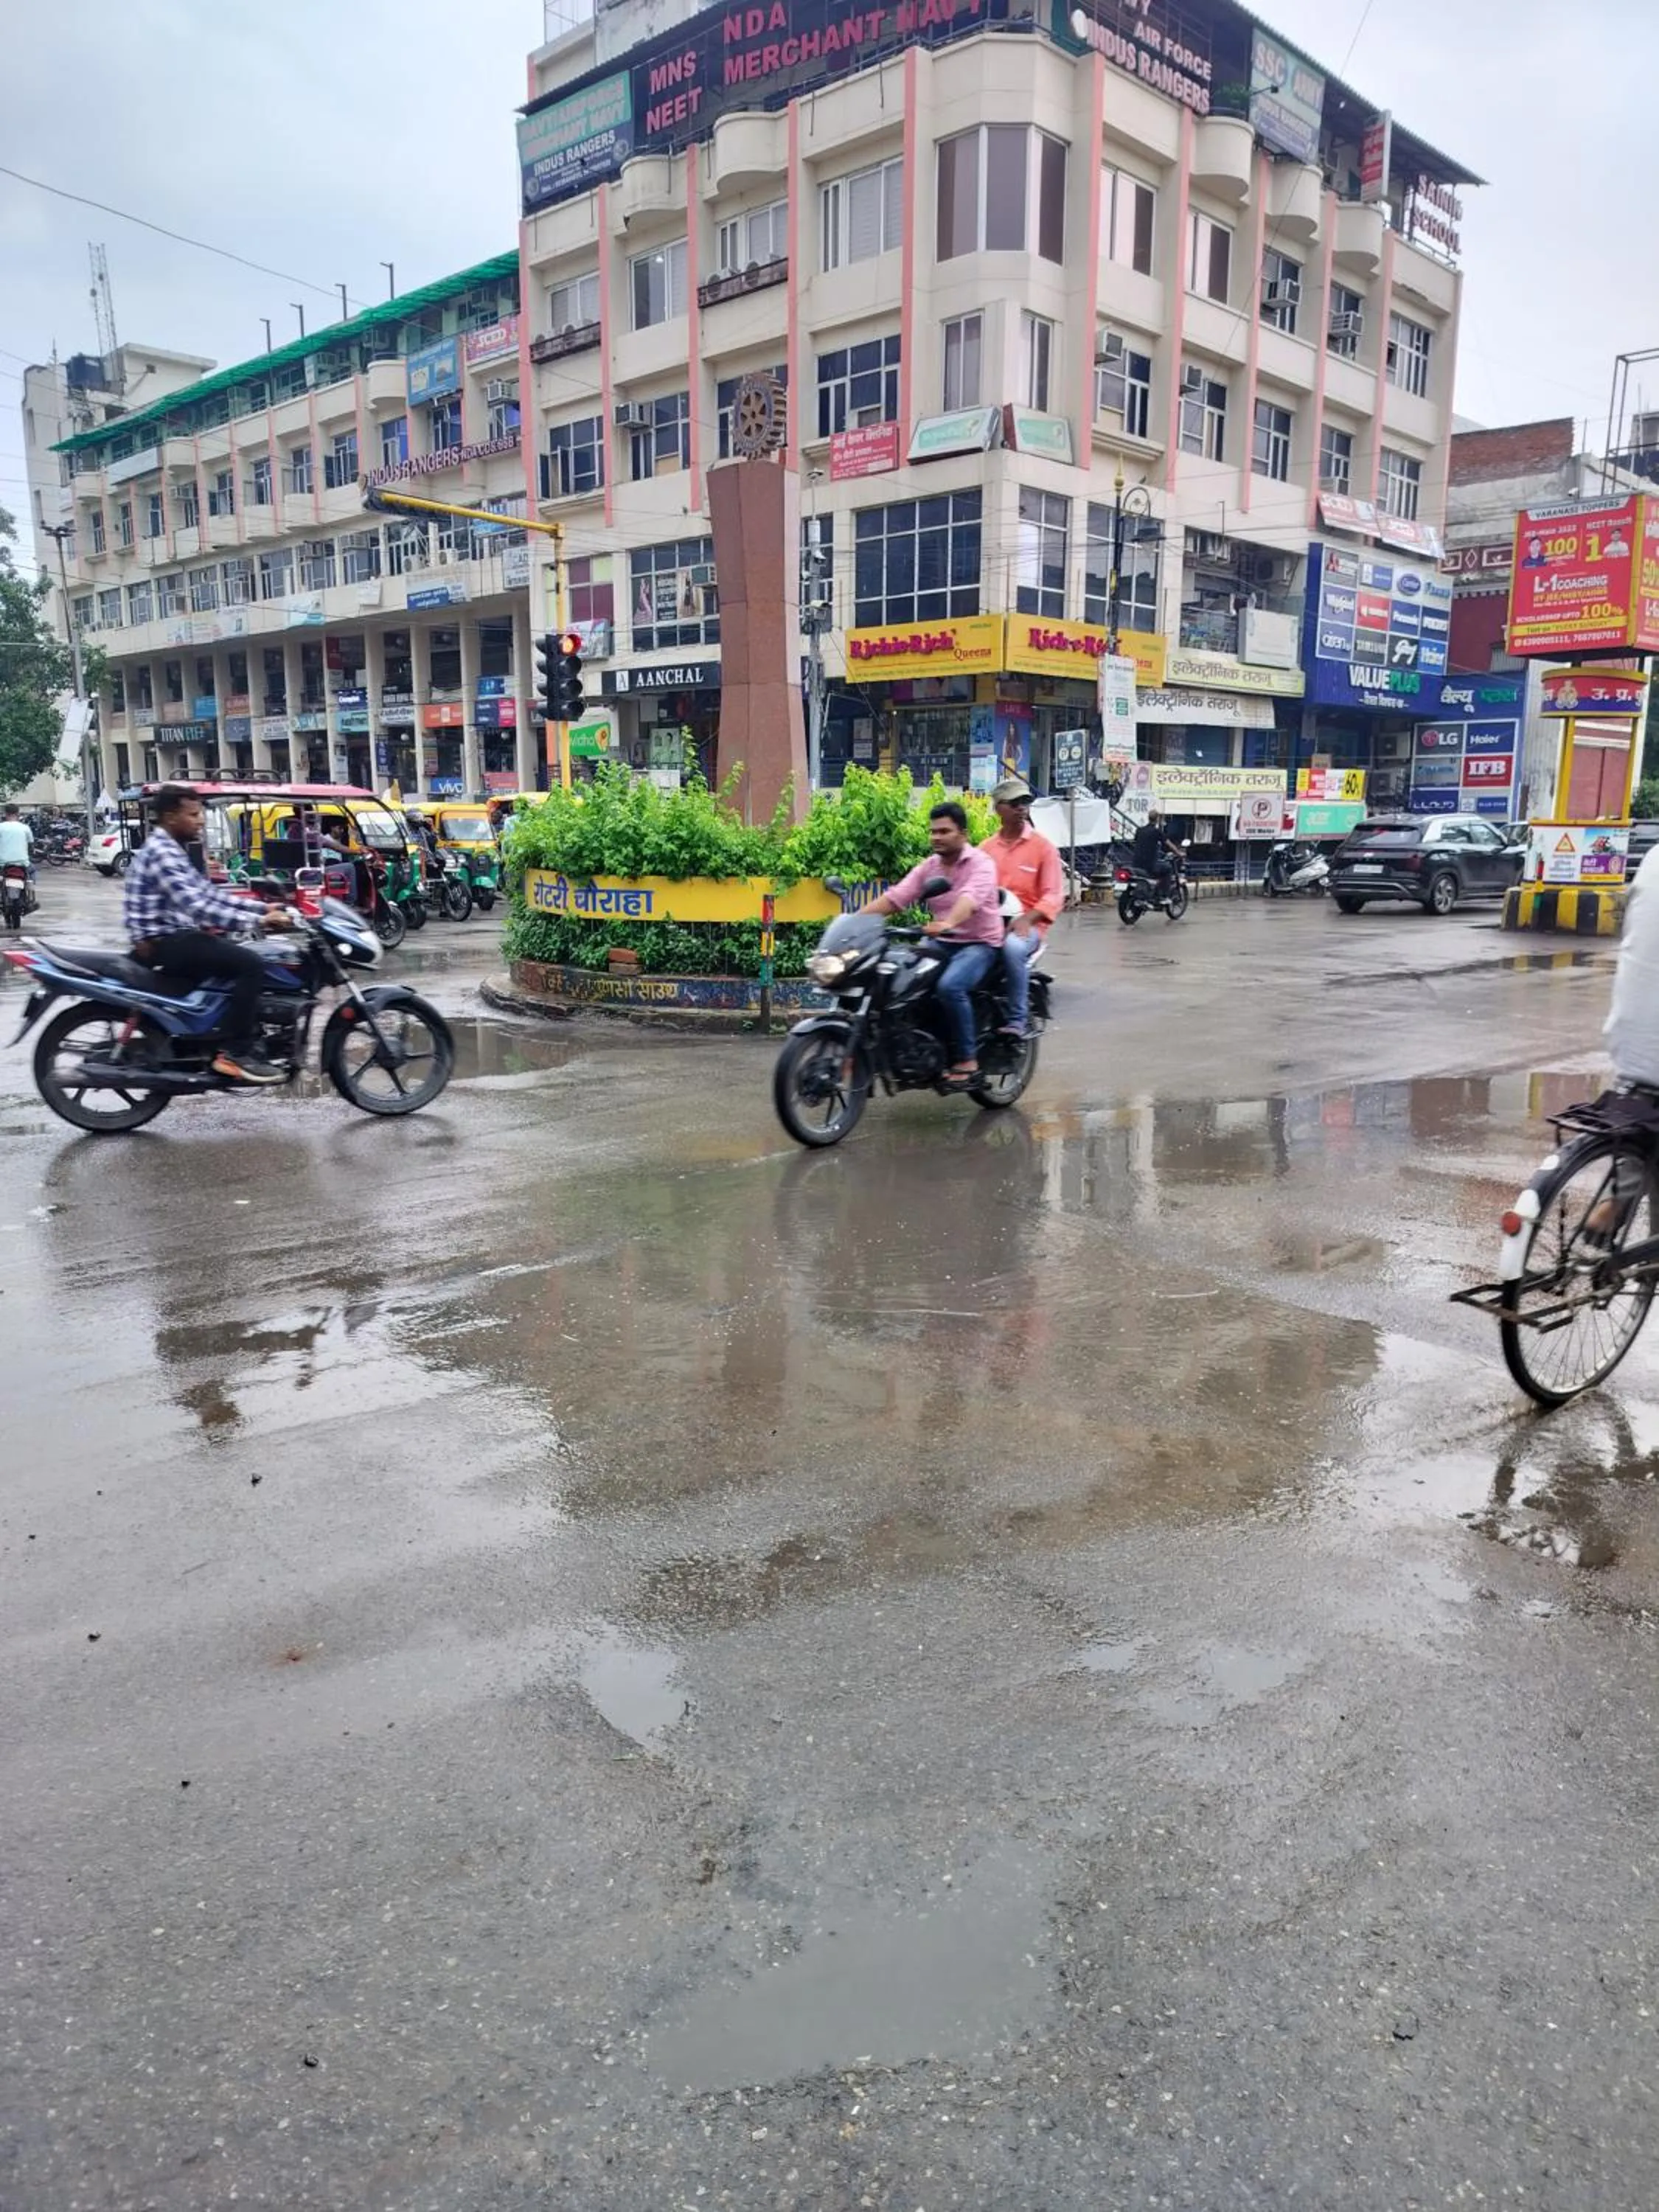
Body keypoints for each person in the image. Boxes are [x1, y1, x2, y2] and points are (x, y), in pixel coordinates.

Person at [122, 785, 294, 1085]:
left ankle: (219, 1037)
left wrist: (263, 908)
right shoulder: (162, 852)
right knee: (251, 964)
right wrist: (259, 922)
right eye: (193, 815)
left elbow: (209, 894)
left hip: (171, 938)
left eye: (200, 814)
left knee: (233, 955)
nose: (200, 821)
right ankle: (236, 1052)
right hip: (165, 942)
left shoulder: (170, 848)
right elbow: (199, 908)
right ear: (170, 816)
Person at [868, 800, 1004, 1086]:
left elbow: (970, 898)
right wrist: (854, 920)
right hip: (943, 942)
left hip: (979, 943)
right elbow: (896, 898)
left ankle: (967, 1059)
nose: (936, 837)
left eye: (944, 831)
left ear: (963, 834)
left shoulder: (981, 864)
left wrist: (949, 922)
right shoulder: (929, 867)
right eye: (933, 832)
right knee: (899, 979)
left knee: (950, 986)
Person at [979, 778, 1062, 1039]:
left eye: (1025, 802)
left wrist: (1027, 919)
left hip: (1027, 926)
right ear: (998, 808)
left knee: (1013, 948)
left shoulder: (1043, 848)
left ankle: (1017, 1019)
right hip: (990, 924)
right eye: (1014, 803)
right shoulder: (986, 849)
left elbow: (1053, 895)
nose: (1021, 808)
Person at [1131, 808, 1183, 901]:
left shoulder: (1140, 830)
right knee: (1168, 869)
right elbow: (1169, 844)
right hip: (1149, 865)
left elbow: (1136, 843)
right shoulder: (1157, 832)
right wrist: (1179, 854)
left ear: (1148, 818)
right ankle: (1163, 896)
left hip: (1136, 864)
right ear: (1157, 819)